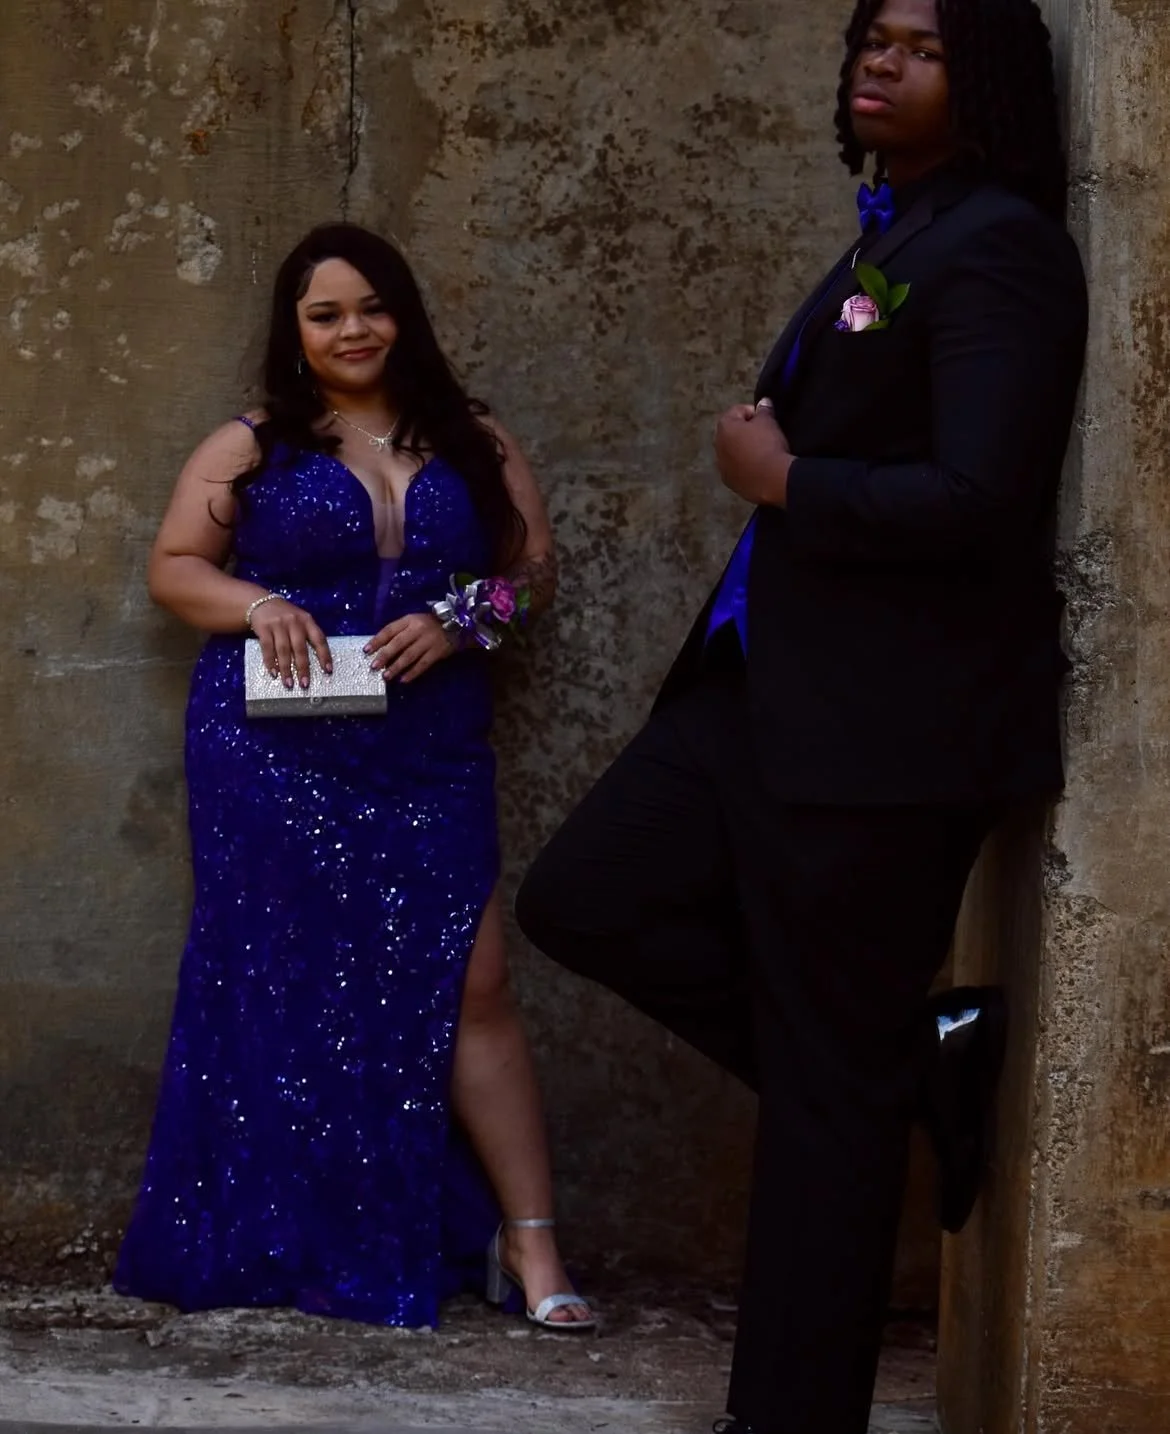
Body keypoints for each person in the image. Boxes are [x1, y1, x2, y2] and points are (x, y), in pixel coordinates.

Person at [515, 0, 1087, 1427]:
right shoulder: (897, 229)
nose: (876, 61)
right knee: (584, 894)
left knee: (820, 1115)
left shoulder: (1002, 249)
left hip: (882, 738)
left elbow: (977, 500)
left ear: (992, 81)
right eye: (870, 37)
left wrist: (783, 484)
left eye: (920, 44)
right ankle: (911, 1060)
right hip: (755, 694)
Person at [115, 223, 593, 1332]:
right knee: (288, 990)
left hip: (429, 746)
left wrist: (463, 617)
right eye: (324, 314)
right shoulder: (253, 443)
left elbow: (534, 570)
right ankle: (297, 1239)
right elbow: (175, 568)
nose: (352, 330)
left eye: (370, 307)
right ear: (294, 332)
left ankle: (530, 1244)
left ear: (403, 312)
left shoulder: (471, 437)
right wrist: (261, 603)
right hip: (274, 751)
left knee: (475, 983)